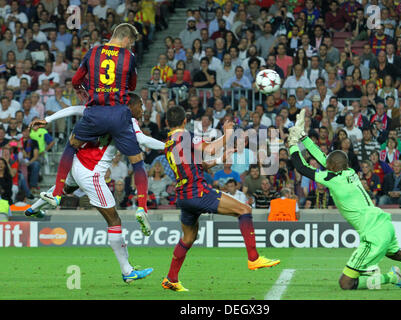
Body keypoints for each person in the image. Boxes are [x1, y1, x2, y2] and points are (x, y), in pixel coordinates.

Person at [287, 108, 401, 290]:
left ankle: (390, 277)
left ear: (332, 168)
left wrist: (293, 143)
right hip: (384, 224)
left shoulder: (331, 179)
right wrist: (303, 137)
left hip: (373, 235)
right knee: (397, 253)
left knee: (346, 283)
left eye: (328, 164)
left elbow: (302, 168)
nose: (324, 164)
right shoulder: (349, 172)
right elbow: (324, 159)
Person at [26, 94, 163, 283]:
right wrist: (169, 146)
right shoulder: (128, 121)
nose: (143, 110)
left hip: (77, 161)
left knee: (67, 188)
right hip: (91, 173)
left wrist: (48, 119)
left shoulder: (100, 111)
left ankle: (34, 208)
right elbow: (145, 141)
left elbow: (74, 109)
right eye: (140, 105)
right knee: (114, 219)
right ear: (130, 106)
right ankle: (127, 270)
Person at [38, 23, 151, 227]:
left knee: (72, 145)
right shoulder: (129, 57)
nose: (131, 47)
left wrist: (83, 90)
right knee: (137, 161)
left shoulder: (93, 52)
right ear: (126, 39)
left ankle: (56, 193)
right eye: (131, 43)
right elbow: (132, 86)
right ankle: (142, 206)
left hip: (95, 112)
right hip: (119, 114)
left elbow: (76, 80)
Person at [161, 106, 279, 292]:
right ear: (185, 121)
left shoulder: (168, 143)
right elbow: (209, 148)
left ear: (167, 123)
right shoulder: (185, 136)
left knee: (189, 237)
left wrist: (219, 160)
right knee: (245, 210)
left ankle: (171, 278)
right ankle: (254, 258)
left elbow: (199, 163)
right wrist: (226, 135)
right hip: (198, 191)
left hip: (183, 196)